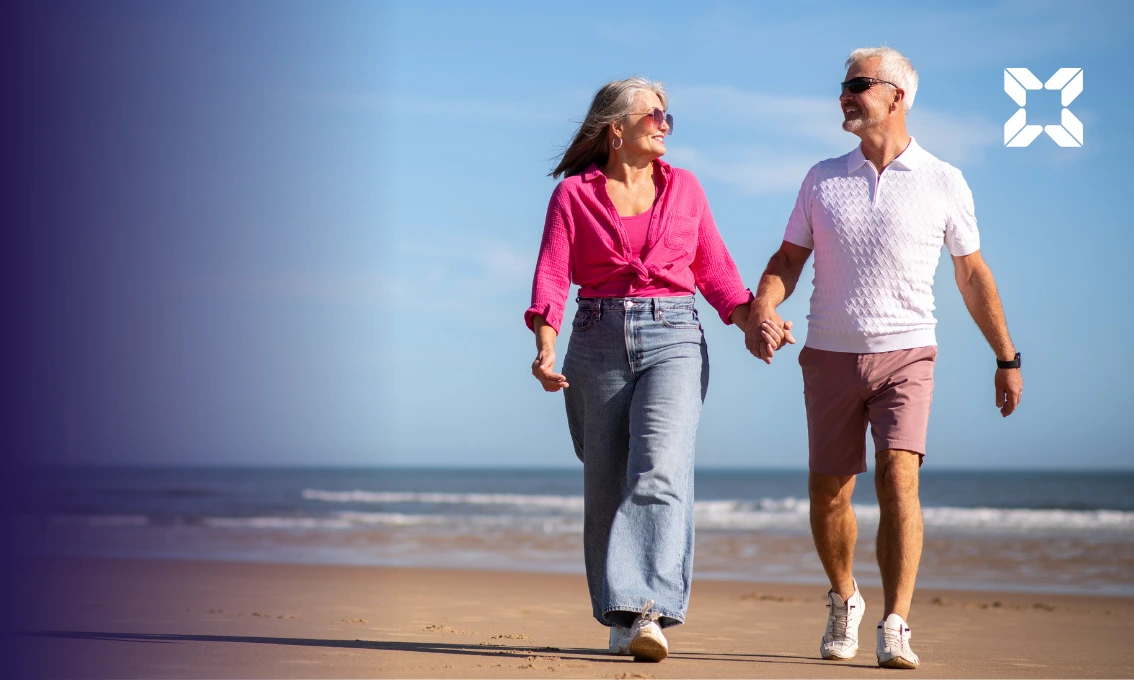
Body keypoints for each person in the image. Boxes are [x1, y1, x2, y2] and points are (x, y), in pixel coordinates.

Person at [746, 47, 1023, 669]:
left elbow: (973, 274)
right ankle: (845, 599)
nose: (844, 94)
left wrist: (1006, 357)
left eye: (858, 85)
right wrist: (764, 307)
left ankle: (896, 622)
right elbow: (787, 260)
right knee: (829, 493)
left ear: (896, 95)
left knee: (900, 476)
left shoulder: (944, 179)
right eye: (842, 84)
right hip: (829, 354)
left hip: (907, 352)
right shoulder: (823, 177)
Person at [525, 77, 754, 663]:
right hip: (595, 339)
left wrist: (752, 319)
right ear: (616, 130)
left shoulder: (687, 190)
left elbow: (716, 269)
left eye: (668, 115)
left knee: (659, 465)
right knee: (605, 479)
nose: (665, 124)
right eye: (654, 114)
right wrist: (545, 346)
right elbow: (552, 275)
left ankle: (648, 609)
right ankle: (621, 615)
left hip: (675, 333)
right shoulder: (574, 195)